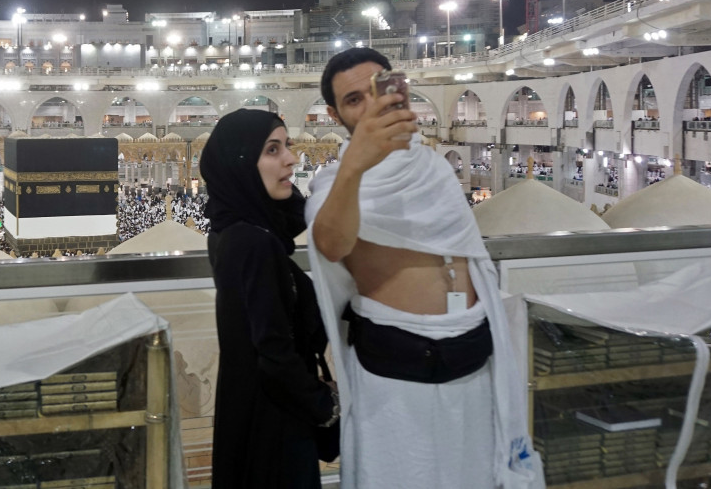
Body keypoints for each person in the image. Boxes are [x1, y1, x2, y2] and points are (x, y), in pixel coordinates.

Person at [305, 48, 542, 489]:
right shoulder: (336, 183)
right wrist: (355, 164)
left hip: (471, 347)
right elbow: (331, 243)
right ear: (336, 117)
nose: (371, 105)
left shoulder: (434, 167)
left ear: (400, 90)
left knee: (472, 470)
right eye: (354, 100)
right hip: (397, 360)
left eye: (377, 89)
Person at [200, 109, 339, 489]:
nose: (291, 159)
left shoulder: (231, 230)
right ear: (241, 163)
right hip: (274, 427)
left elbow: (291, 217)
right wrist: (326, 407)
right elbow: (275, 353)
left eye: (287, 146)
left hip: (249, 410)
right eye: (272, 150)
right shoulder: (254, 243)